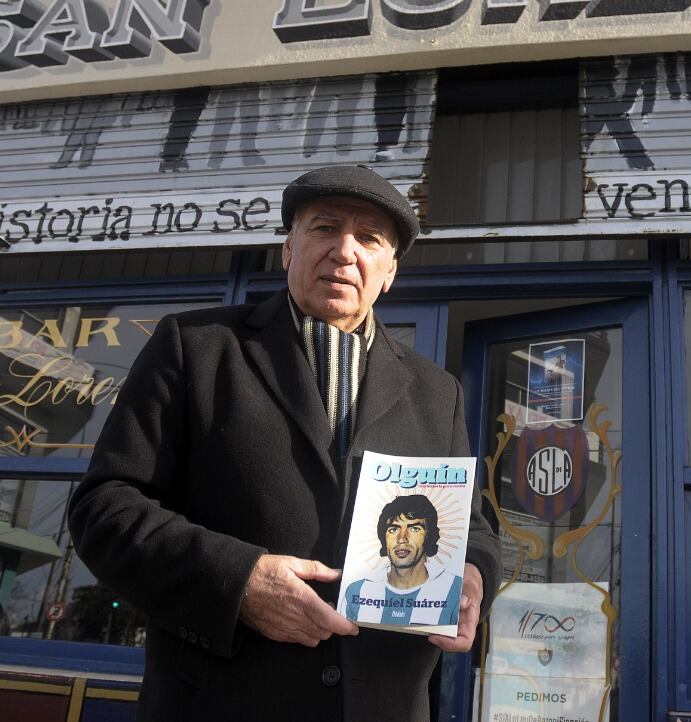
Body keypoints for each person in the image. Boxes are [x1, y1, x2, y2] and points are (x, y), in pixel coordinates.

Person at [68, 164, 501, 721]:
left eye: (369, 238)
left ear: (389, 271)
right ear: (288, 249)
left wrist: (473, 575)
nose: (345, 251)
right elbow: (105, 508)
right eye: (325, 228)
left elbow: (473, 529)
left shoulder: (437, 392)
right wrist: (238, 582)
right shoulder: (197, 347)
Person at [344, 494, 463, 627]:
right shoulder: (357, 590)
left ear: (429, 536)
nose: (402, 538)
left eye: (414, 528)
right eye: (393, 529)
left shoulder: (454, 589)